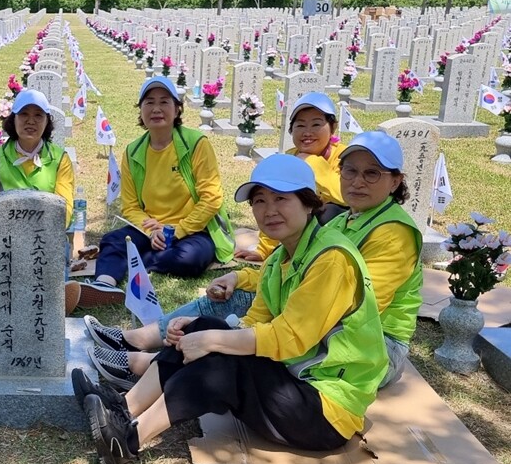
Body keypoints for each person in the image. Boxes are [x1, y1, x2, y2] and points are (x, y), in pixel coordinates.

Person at [72, 154, 387, 464]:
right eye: (260, 200)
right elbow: (254, 321)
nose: (269, 210)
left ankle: (128, 441)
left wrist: (212, 340)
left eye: (281, 198)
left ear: (309, 203)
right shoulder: (280, 258)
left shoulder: (331, 259)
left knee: (220, 362)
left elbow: (290, 338)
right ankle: (124, 408)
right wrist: (198, 329)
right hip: (294, 382)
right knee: (203, 327)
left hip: (325, 412)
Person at [86, 131, 420, 390]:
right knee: (241, 298)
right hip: (330, 324)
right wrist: (240, 278)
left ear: (395, 181)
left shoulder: (394, 233)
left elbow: (357, 305)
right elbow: (293, 271)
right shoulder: (346, 219)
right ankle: (145, 343)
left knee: (252, 328)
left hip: (372, 347)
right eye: (350, 171)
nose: (357, 181)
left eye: (372, 174)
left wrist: (271, 309)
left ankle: (149, 363)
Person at [77, 76, 235, 307]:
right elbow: (130, 206)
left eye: (164, 102)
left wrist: (177, 231)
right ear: (140, 110)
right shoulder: (133, 152)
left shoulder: (196, 144)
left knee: (189, 259)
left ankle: (135, 260)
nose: (156, 109)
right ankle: (104, 285)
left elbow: (211, 198)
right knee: (113, 239)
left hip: (193, 230)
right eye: (149, 102)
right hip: (150, 229)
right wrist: (151, 230)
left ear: (177, 109)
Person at [241, 91, 348, 262]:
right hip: (300, 231)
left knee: (329, 211)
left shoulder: (345, 157)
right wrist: (263, 250)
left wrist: (311, 161)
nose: (307, 132)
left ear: (333, 127)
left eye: (316, 124)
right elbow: (272, 202)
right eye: (300, 125)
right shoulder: (289, 158)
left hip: (338, 232)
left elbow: (345, 196)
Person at [0, 89, 74, 226]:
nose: (31, 121)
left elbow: (65, 209)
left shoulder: (60, 159)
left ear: (47, 121)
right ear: (13, 119)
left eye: (38, 115)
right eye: (24, 114)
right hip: (7, 233)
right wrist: (2, 218)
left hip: (45, 233)